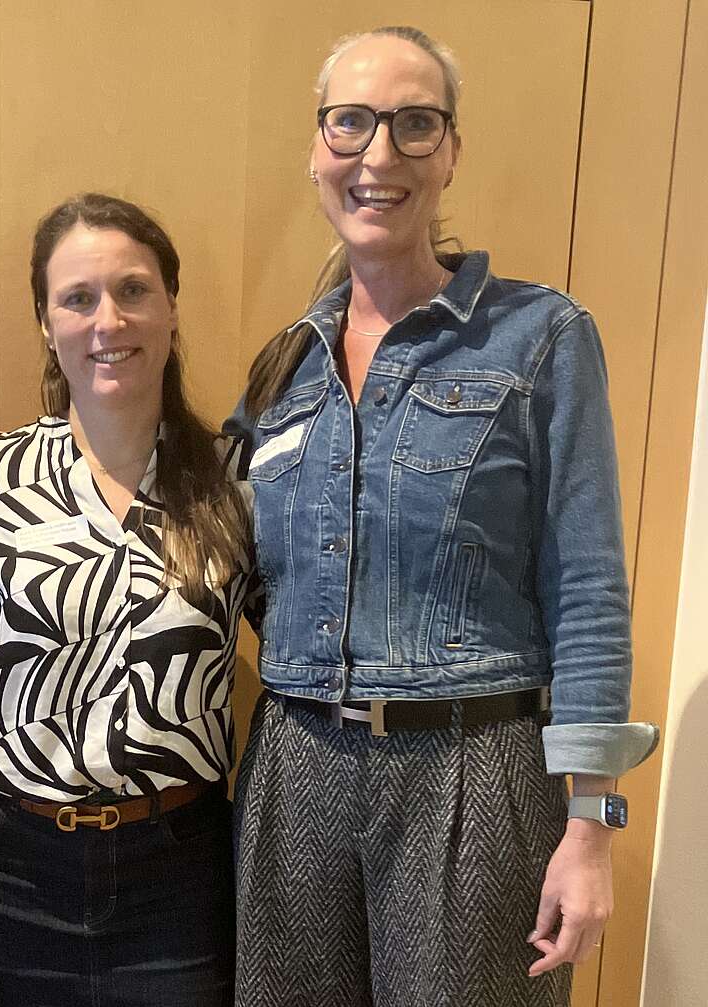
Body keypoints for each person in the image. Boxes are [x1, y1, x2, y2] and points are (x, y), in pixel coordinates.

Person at [227, 26, 659, 1006]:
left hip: (472, 769)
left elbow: (588, 587)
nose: (379, 153)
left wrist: (591, 826)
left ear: (452, 150)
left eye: (414, 124)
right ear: (317, 149)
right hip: (293, 764)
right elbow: (216, 541)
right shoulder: (284, 368)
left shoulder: (540, 337)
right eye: (351, 123)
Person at [0, 193, 260, 1006]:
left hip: (179, 876)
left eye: (133, 290)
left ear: (171, 306)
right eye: (78, 298)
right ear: (46, 323)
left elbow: (301, 654)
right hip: (15, 872)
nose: (108, 320)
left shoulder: (239, 482)